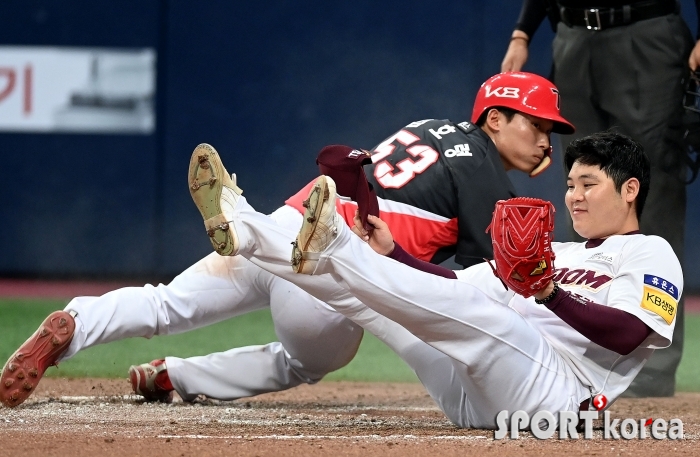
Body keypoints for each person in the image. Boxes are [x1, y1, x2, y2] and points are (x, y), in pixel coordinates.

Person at [1, 72, 573, 408]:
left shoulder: (430, 128)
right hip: (331, 266)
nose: (547, 141)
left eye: (550, 131)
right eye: (537, 125)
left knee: (164, 301)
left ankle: (79, 322)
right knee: (304, 363)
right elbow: (484, 286)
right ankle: (180, 375)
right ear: (494, 120)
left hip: (287, 220)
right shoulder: (483, 169)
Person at [184, 130, 683, 428]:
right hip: (478, 395)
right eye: (570, 184)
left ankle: (333, 242)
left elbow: (629, 332)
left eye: (588, 184)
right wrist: (392, 252)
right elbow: (455, 293)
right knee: (374, 303)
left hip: (560, 399)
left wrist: (547, 292)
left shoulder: (649, 251)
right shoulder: (553, 250)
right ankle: (246, 227)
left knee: (494, 319)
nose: (573, 196)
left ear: (630, 189)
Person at [500, 0, 697, 397]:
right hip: (573, 37)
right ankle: (573, 348)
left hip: (645, 34)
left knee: (647, 194)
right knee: (584, 191)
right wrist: (523, 31)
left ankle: (651, 366)